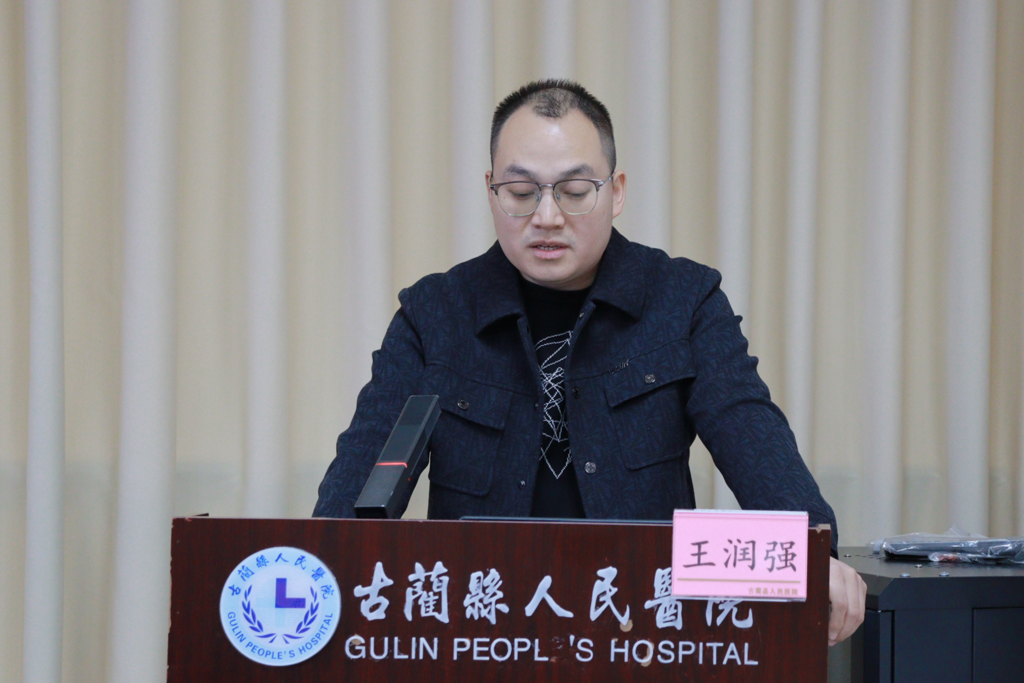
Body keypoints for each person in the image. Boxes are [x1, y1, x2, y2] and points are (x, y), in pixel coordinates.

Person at [314, 79, 866, 645]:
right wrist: (321, 565)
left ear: (616, 192)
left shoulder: (683, 301)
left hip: (643, 635)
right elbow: (356, 484)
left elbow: (752, 435)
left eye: (575, 191)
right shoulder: (434, 314)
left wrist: (813, 551)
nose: (547, 216)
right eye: (520, 191)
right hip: (480, 633)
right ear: (491, 191)